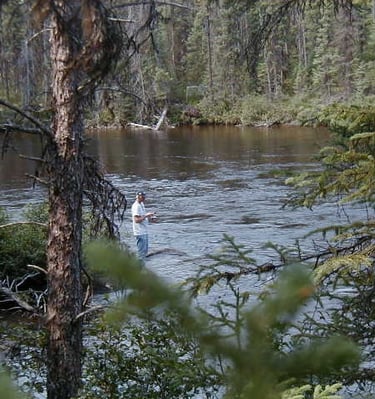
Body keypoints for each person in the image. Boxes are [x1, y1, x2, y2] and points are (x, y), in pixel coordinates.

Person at [131, 191, 156, 263]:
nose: (144, 198)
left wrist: (150, 217)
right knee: (141, 254)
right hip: (139, 232)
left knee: (144, 253)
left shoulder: (141, 204)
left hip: (144, 231)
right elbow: (136, 220)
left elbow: (142, 217)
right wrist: (146, 216)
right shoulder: (136, 206)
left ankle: (141, 269)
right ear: (137, 197)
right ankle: (138, 270)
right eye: (142, 197)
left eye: (144, 196)